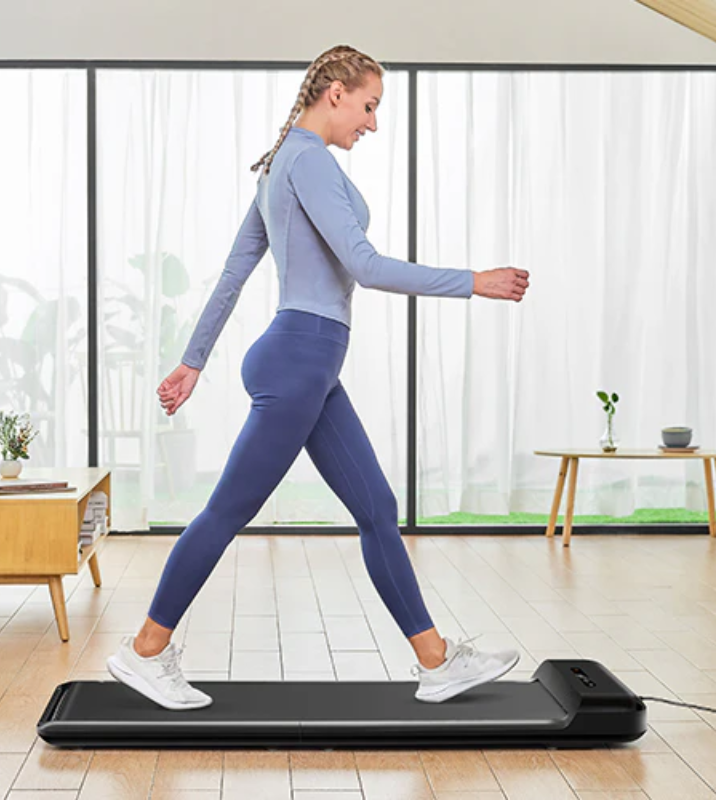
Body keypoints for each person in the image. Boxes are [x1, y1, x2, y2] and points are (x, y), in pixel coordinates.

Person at [107, 44, 530, 711]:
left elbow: (233, 272)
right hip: (301, 358)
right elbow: (364, 264)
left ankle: (435, 660)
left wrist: (193, 361)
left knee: (376, 510)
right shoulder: (309, 161)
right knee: (227, 511)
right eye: (369, 106)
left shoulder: (281, 167)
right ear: (335, 92)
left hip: (309, 363)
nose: (372, 122)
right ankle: (144, 651)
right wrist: (472, 282)